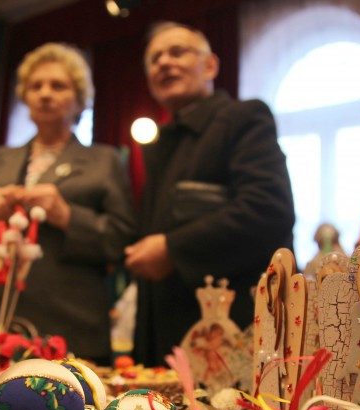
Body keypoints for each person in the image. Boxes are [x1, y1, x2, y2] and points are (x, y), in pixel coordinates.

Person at [0, 43, 135, 364]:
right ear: (24, 97)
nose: (45, 94)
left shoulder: (103, 161)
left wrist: (67, 215)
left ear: (79, 99)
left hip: (74, 328)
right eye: (35, 86)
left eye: (58, 85)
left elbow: (122, 240)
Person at [126, 22, 295, 366]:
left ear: (210, 66)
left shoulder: (243, 117)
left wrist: (172, 249)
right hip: (166, 342)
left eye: (177, 52)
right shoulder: (161, 144)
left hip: (232, 342)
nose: (164, 63)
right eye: (154, 59)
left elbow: (268, 210)